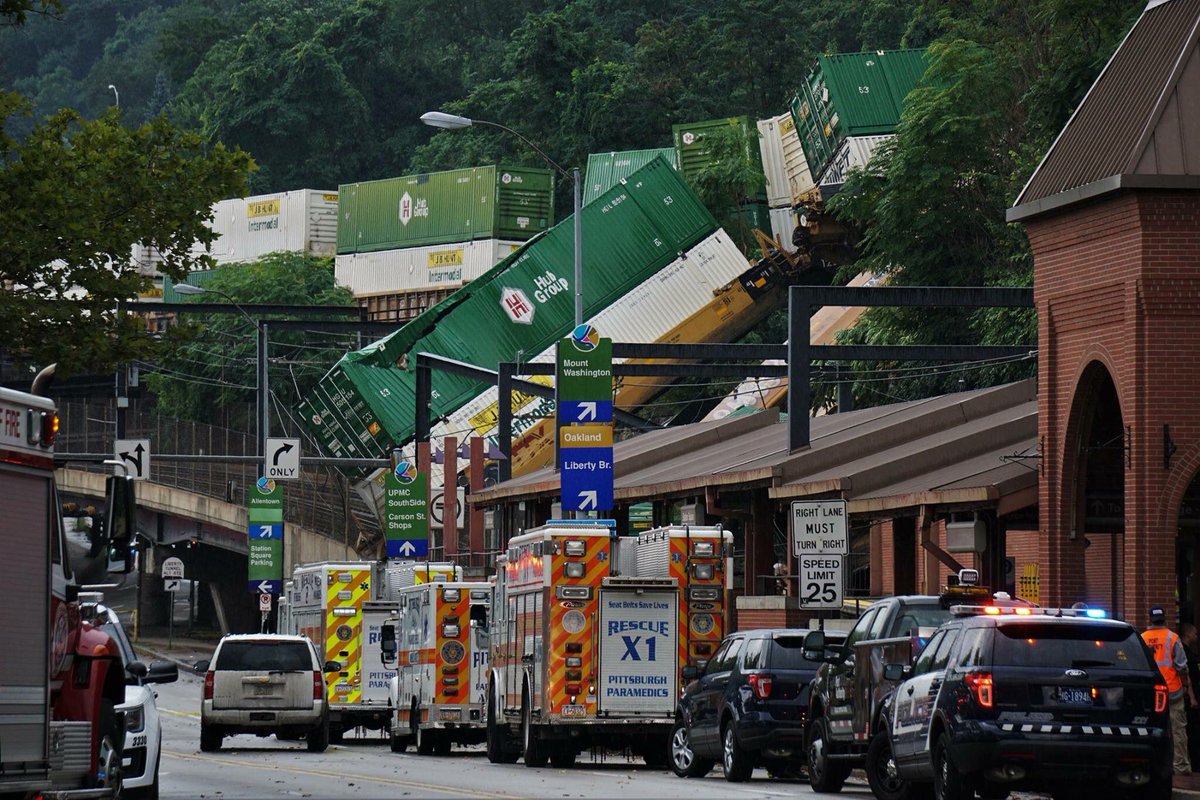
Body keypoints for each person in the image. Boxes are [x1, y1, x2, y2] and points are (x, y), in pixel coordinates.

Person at [1143, 607, 1197, 779]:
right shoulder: (1172, 638)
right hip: (1172, 691)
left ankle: (1151, 763)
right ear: (1165, 619)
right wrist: (1186, 687)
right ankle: (1180, 765)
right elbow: (1182, 666)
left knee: (1150, 728)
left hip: (1152, 693)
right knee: (1178, 729)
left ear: (1150, 619)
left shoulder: (1143, 638)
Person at [1182, 623, 1200, 771]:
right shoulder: (1184, 653)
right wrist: (1192, 697)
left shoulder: (1186, 651)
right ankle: (1194, 764)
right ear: (1187, 635)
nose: (1196, 636)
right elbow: (1187, 676)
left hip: (1182, 696)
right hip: (1185, 698)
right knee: (1191, 732)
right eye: (1194, 633)